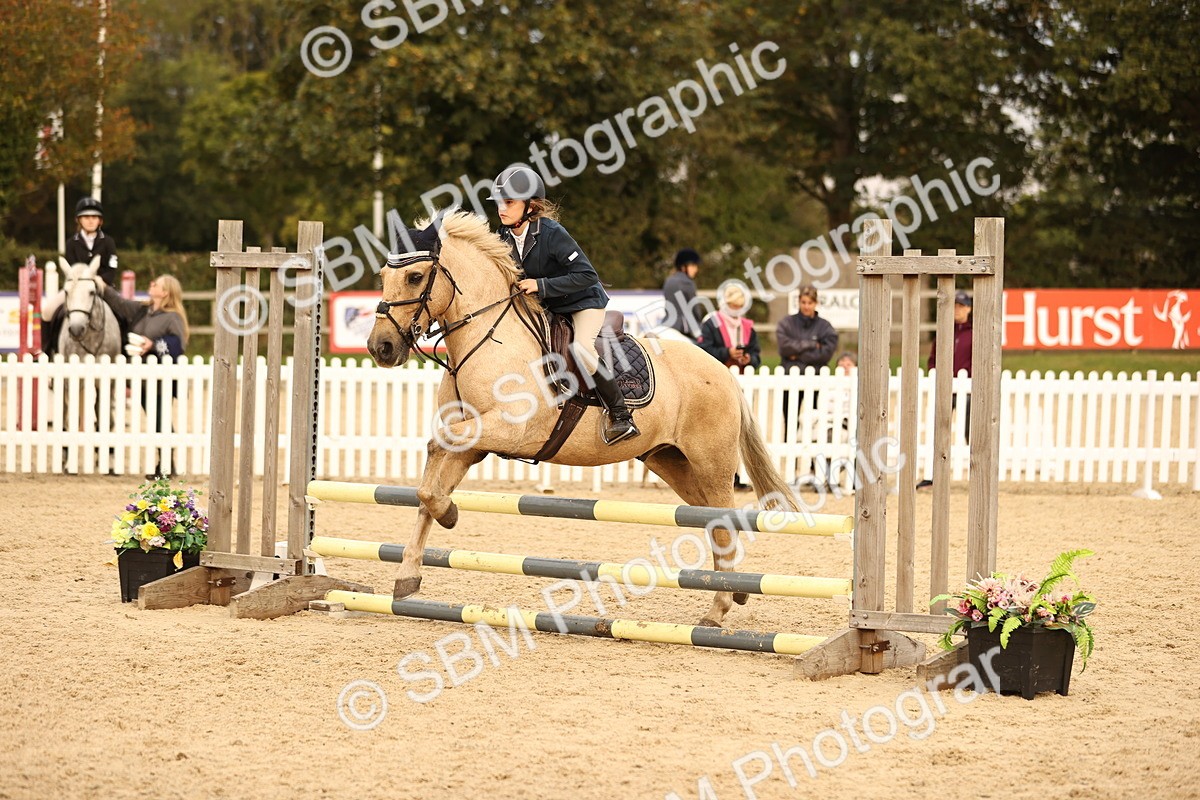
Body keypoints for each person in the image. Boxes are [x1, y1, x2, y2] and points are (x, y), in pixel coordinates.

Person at [490, 165, 638, 445]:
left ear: (530, 206)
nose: (501, 209)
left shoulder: (551, 232)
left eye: (509, 202)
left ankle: (621, 415)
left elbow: (586, 275)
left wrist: (540, 285)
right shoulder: (504, 237)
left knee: (581, 350)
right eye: (499, 202)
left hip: (583, 302)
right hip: (550, 306)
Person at [103, 275, 189, 478]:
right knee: (154, 419)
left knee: (160, 419)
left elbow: (178, 345)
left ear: (166, 292)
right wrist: (103, 287)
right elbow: (120, 303)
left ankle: (167, 463)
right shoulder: (143, 310)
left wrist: (152, 345)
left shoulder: (173, 317)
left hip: (162, 380)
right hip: (141, 379)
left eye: (156, 284)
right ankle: (167, 463)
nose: (151, 284)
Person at [42, 197, 123, 357]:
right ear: (79, 220)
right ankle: (47, 351)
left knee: (122, 312)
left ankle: (125, 351)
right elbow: (72, 270)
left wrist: (100, 281)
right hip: (76, 289)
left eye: (94, 217)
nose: (90, 221)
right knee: (48, 310)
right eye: (86, 217)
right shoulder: (72, 242)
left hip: (102, 286)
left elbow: (111, 269)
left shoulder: (108, 242)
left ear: (100, 220)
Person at [918, 290, 973, 489]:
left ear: (968, 308)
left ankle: (974, 471)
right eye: (955, 306)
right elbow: (932, 359)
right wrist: (935, 372)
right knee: (938, 429)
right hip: (944, 389)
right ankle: (933, 474)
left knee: (969, 431)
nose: (957, 310)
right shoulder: (943, 332)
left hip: (967, 390)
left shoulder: (974, 333)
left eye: (961, 305)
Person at [777, 285, 839, 438]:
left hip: (816, 380)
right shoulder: (787, 323)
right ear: (799, 301)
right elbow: (784, 348)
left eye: (809, 303)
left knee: (816, 420)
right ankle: (791, 455)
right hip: (791, 378)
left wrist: (796, 355)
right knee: (790, 419)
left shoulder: (825, 327)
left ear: (816, 303)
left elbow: (826, 353)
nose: (806, 306)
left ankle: (813, 459)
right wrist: (811, 345)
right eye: (803, 302)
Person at [698, 283, 760, 371]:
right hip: (716, 373)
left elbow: (756, 355)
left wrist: (749, 359)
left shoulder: (747, 327)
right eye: (734, 306)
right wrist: (727, 352)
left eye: (740, 307)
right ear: (725, 303)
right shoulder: (712, 324)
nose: (737, 310)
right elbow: (703, 351)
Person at [662, 248, 703, 339]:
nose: (696, 269)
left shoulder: (669, 280)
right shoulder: (688, 283)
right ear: (683, 267)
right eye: (693, 266)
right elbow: (695, 310)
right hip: (684, 327)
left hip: (666, 324)